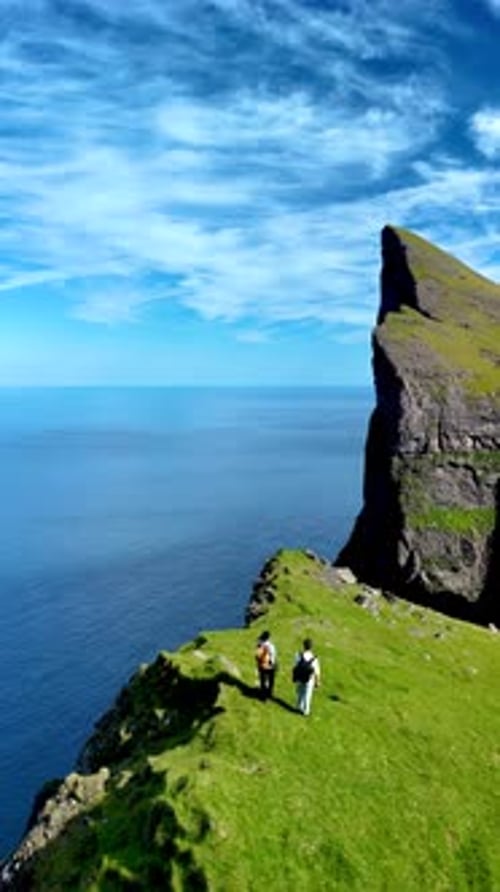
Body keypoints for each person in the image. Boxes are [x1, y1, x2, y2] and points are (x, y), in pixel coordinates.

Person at [293, 638, 320, 716]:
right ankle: (306, 711)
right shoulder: (314, 658)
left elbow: (295, 666)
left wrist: (295, 676)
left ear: (303, 646)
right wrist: (317, 681)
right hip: (309, 679)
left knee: (300, 693)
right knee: (307, 695)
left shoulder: (298, 655)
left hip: (300, 677)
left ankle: (298, 706)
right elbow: (317, 671)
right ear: (311, 647)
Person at [255, 630, 277, 700]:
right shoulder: (271, 645)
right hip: (270, 666)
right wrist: (273, 664)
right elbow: (273, 655)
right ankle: (269, 694)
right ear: (268, 638)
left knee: (263, 681)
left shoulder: (260, 644)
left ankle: (263, 696)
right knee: (271, 681)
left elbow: (257, 655)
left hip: (262, 665)